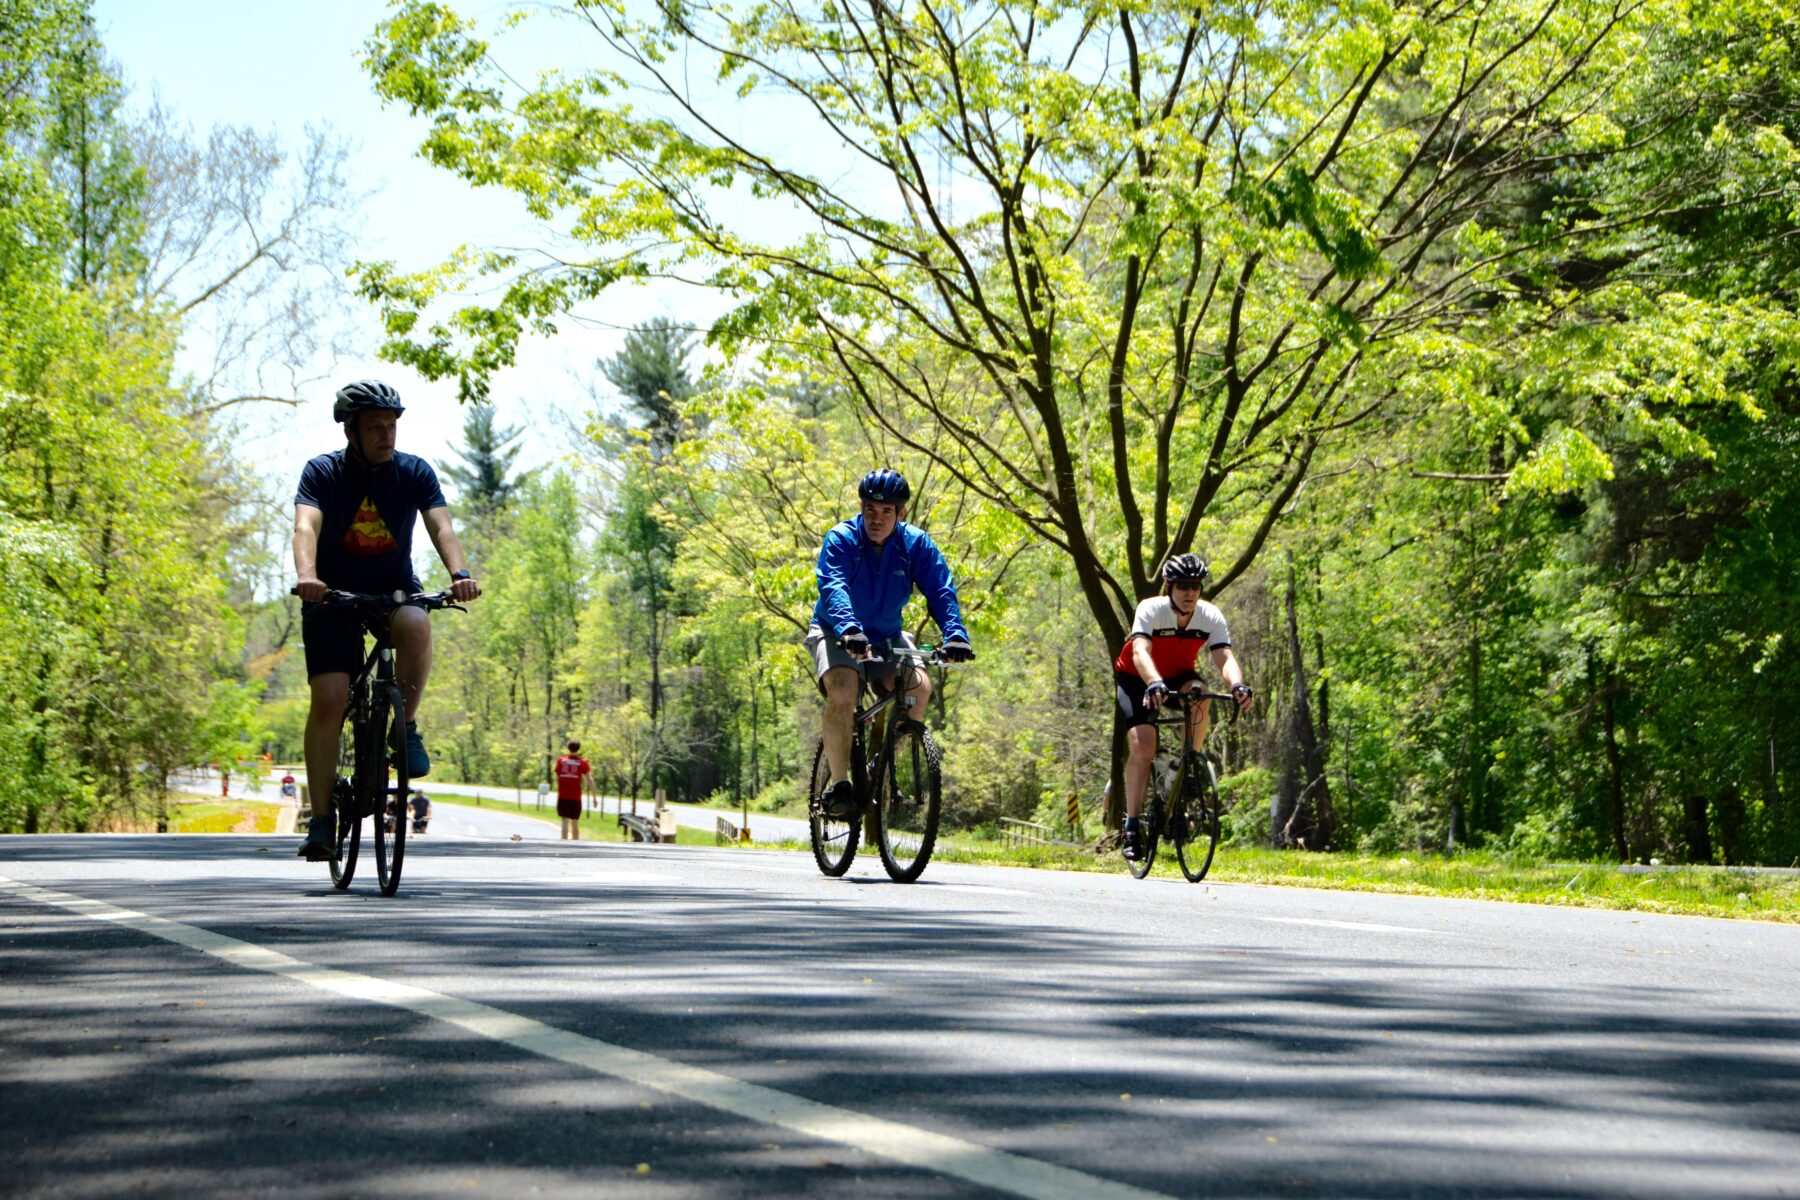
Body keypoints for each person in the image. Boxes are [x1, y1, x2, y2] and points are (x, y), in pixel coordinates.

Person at [292, 380, 481, 861]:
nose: (386, 435)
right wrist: (308, 577)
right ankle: (320, 820)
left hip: (392, 590)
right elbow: (305, 525)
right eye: (375, 426)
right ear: (350, 431)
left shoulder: (414, 472)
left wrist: (459, 573)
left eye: (392, 425)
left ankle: (407, 727)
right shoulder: (323, 472)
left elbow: (441, 524)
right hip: (331, 595)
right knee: (331, 699)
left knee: (417, 624)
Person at [806, 468, 974, 819]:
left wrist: (955, 634)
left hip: (885, 636)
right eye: (870, 510)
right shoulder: (841, 539)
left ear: (901, 513)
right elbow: (833, 586)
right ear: (861, 508)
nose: (876, 519)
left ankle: (880, 765)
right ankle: (839, 786)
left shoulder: (916, 545)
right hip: (837, 631)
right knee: (843, 692)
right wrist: (850, 629)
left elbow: (941, 591)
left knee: (920, 688)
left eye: (886, 512)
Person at [1113, 554, 1253, 861]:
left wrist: (1237, 686)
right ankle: (1132, 826)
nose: (1190, 592)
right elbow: (1140, 652)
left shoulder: (1210, 616)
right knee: (1143, 745)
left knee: (1200, 693)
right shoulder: (1151, 609)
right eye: (1182, 586)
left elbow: (1224, 657)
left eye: (1196, 586)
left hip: (1179, 677)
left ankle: (1190, 760)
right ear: (1168, 586)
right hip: (1138, 678)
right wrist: (1153, 682)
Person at [553, 741, 593, 840]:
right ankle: (575, 842)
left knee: (564, 820)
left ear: (568, 748)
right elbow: (589, 779)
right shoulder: (582, 762)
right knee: (575, 820)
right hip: (575, 795)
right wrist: (594, 795)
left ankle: (564, 842)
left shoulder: (561, 760)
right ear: (578, 748)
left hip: (563, 794)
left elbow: (557, 777)